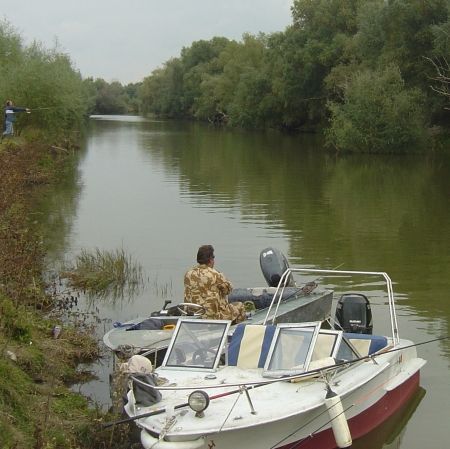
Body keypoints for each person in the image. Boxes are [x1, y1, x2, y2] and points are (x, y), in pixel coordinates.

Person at [184, 245, 246, 323]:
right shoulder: (215, 274)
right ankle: (234, 331)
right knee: (240, 306)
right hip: (213, 318)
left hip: (193, 316)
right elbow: (228, 290)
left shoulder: (188, 274)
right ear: (210, 259)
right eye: (213, 257)